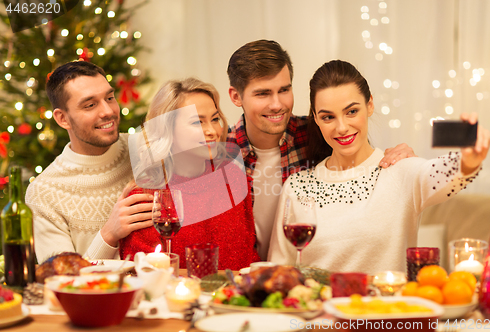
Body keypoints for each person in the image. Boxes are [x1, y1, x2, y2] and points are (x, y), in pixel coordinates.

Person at [268, 60, 490, 273]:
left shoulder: (400, 170)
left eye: (352, 111)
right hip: (318, 310)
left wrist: (470, 159)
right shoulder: (297, 186)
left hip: (386, 310)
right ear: (315, 118)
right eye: (328, 117)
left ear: (370, 105)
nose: (342, 127)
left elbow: (446, 174)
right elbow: (279, 271)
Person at [226, 39, 417, 260]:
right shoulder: (216, 156)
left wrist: (403, 159)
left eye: (284, 90)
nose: (277, 104)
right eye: (263, 94)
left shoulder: (317, 133)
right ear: (236, 96)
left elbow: (361, 169)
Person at [119, 78, 260, 270]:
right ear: (168, 129)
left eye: (215, 119)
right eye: (197, 122)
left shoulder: (232, 178)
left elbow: (249, 257)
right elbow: (140, 273)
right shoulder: (144, 197)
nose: (212, 131)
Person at [26, 61, 154, 263]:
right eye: (90, 105)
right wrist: (109, 235)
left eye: (110, 98)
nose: (108, 111)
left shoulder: (145, 148)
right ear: (62, 119)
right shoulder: (43, 192)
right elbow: (64, 280)